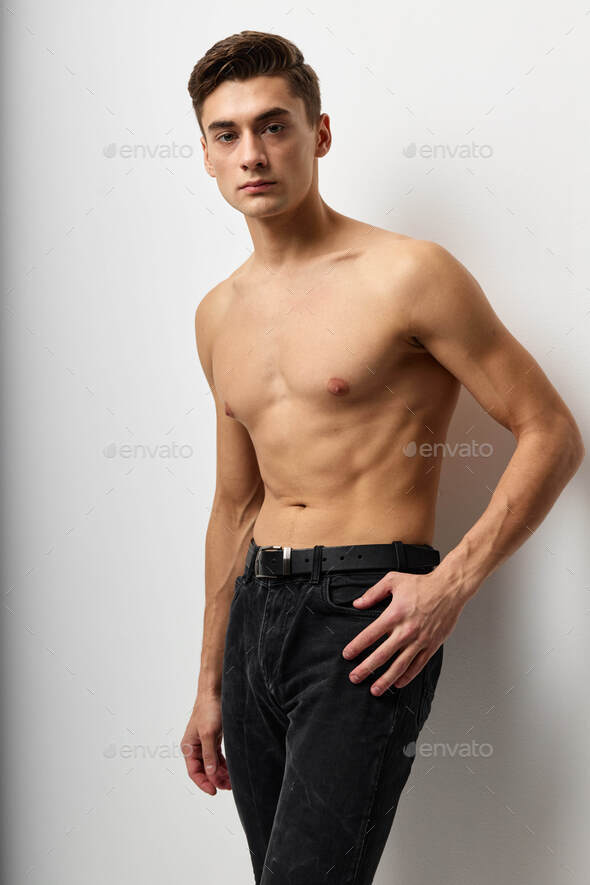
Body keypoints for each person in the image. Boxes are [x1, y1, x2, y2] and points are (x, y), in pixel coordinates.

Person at [181, 30, 585, 885]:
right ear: (207, 156)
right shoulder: (217, 314)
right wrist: (210, 679)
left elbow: (551, 430)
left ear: (319, 133)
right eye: (227, 133)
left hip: (360, 613)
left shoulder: (408, 274)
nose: (252, 153)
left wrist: (451, 583)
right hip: (255, 614)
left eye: (274, 125)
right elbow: (233, 504)